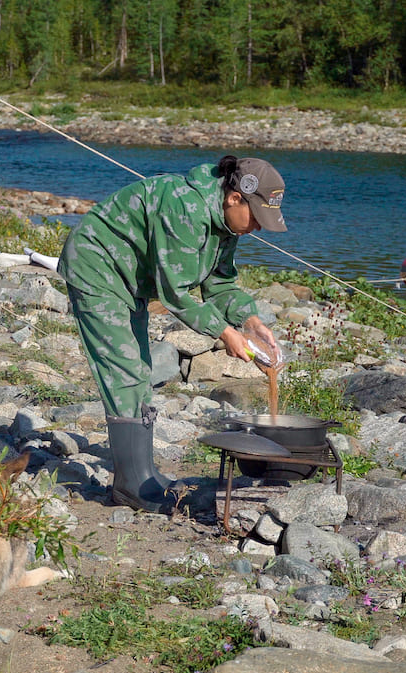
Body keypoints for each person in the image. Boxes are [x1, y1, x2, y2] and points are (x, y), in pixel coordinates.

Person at [58, 155, 288, 513]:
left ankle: (142, 473)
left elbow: (220, 284)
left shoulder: (227, 224)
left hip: (130, 278)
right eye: (257, 218)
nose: (257, 228)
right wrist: (224, 333)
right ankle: (131, 485)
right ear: (235, 198)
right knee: (125, 369)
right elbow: (176, 293)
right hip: (98, 267)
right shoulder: (186, 208)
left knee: (140, 369)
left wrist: (250, 321)